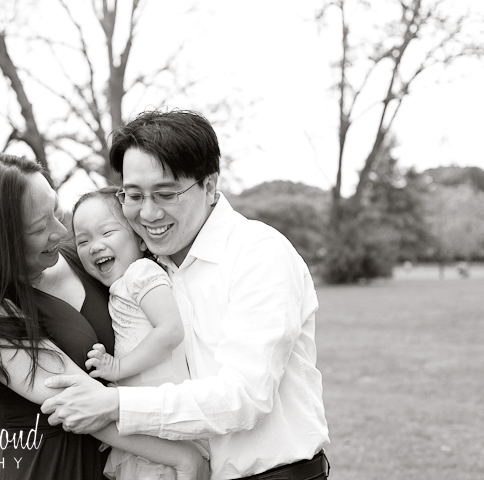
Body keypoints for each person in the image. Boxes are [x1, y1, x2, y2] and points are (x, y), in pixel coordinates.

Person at [41, 110, 331, 480]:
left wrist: (116, 404)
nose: (148, 213)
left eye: (166, 194)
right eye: (134, 195)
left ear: (209, 186)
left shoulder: (258, 253)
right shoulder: (142, 264)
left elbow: (244, 396)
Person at [0, 152, 209, 480]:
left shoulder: (84, 258)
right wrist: (183, 457)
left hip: (121, 464)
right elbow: (78, 401)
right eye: (40, 227)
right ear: (0, 241)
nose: (59, 229)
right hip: (49, 468)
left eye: (55, 210)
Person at [72, 187, 204, 479]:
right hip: (146, 430)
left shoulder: (141, 272)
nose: (95, 246)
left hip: (167, 426)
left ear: (141, 239)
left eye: (107, 233)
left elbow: (170, 331)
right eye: (83, 240)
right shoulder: (117, 288)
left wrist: (117, 368)